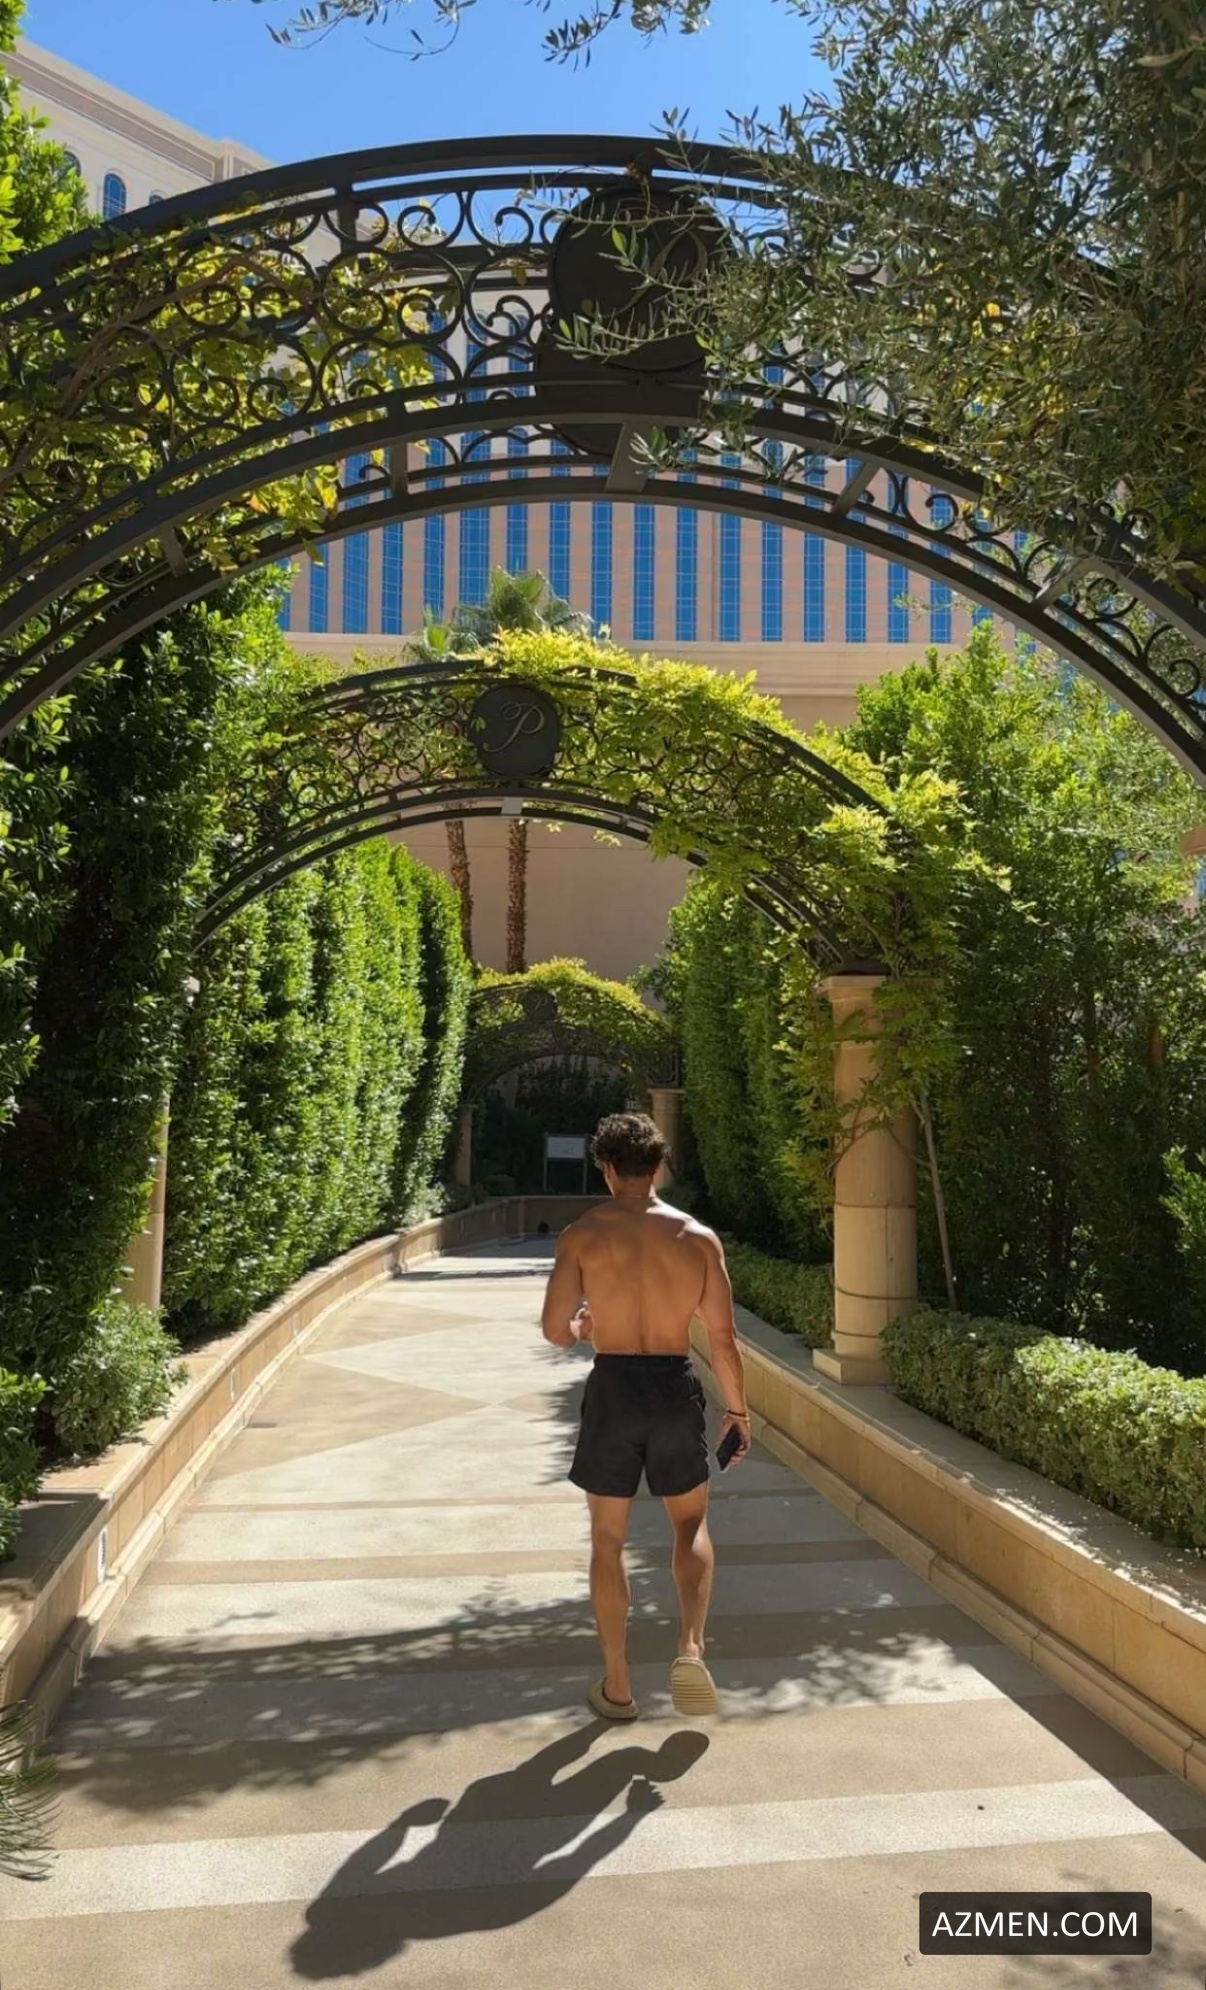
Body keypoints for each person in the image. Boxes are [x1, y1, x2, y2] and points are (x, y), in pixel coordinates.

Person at [540, 1111, 750, 1724]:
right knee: (690, 1523)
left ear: (606, 1169)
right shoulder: (697, 1238)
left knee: (608, 1540)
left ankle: (618, 1686)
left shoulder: (581, 1235)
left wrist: (584, 1327)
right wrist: (737, 1410)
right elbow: (723, 1339)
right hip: (672, 1385)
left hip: (613, 1388)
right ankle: (691, 1647)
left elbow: (555, 1330)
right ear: (658, 1167)